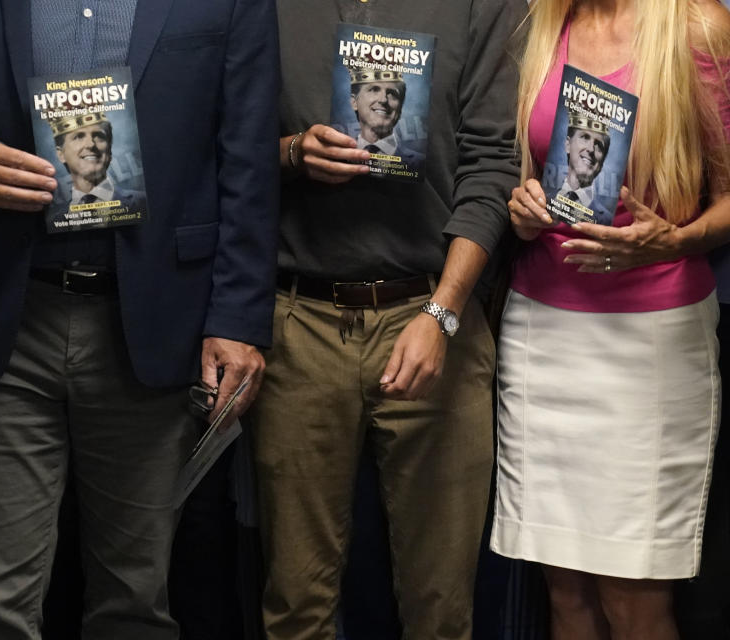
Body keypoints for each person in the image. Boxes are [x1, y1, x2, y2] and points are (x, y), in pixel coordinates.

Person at [0, 1, 279, 638]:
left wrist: (239, 317)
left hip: (154, 323)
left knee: (134, 605)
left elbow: (249, 153)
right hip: (5, 314)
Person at [250, 0, 523, 638]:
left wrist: (444, 312)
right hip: (300, 320)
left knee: (441, 608)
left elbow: (492, 163)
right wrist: (292, 154)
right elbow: (213, 145)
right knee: (294, 603)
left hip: (435, 317)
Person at [493, 1, 730, 638]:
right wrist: (521, 210)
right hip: (540, 332)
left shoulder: (696, 25)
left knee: (634, 599)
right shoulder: (541, 24)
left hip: (651, 344)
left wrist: (674, 241)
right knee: (564, 592)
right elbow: (527, 171)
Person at [348, 70, 422, 167]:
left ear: (400, 109)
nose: (383, 100)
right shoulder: (336, 155)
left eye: (392, 94)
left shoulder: (420, 163)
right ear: (354, 102)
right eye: (374, 90)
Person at [554, 116, 613, 224]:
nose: (590, 149)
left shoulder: (606, 220)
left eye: (599, 145)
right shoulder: (543, 198)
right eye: (585, 137)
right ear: (568, 145)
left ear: (602, 162)